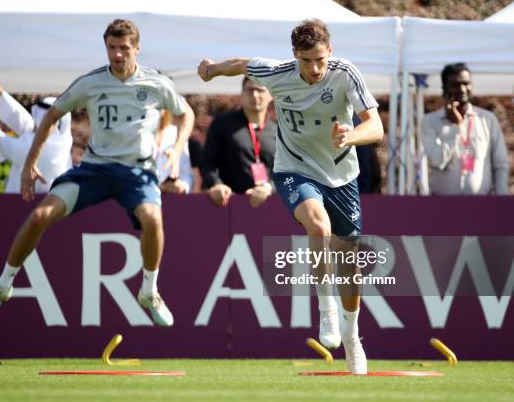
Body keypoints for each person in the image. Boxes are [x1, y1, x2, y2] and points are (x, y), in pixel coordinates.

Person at [0, 19, 195, 327]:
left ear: (137, 49)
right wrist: (30, 162)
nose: (117, 55)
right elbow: (52, 115)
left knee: (153, 219)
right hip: (95, 169)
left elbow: (187, 113)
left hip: (136, 171)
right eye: (112, 48)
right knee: (38, 216)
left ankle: (149, 291)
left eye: (124, 48)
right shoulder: (90, 83)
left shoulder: (156, 83)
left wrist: (178, 146)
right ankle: (3, 284)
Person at [197, 19, 384, 374]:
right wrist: (212, 70)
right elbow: (240, 64)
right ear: (294, 55)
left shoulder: (346, 73)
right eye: (306, 60)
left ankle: (351, 333)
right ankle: (326, 311)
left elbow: (375, 127)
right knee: (318, 225)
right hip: (294, 169)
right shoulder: (277, 72)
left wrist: (351, 136)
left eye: (319, 59)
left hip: (342, 175)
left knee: (349, 262)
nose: (314, 69)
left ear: (329, 51)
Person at [0, 72, 73, 193]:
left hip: (25, 207)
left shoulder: (35, 149)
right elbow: (26, 123)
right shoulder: (63, 138)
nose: (34, 123)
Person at [420, 63, 509, 195]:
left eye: (466, 83)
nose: (462, 89)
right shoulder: (429, 121)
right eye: (455, 85)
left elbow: (500, 164)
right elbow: (437, 161)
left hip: (481, 206)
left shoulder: (487, 119)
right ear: (444, 88)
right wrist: (454, 126)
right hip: (442, 206)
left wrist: (501, 202)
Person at [200, 76, 277, 207]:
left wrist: (269, 188)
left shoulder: (278, 131)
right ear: (242, 94)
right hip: (229, 205)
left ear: (270, 95)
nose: (254, 94)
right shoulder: (222, 124)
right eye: (249, 90)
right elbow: (207, 163)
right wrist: (216, 184)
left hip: (270, 204)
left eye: (260, 90)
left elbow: (287, 172)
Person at [155, 109, 195, 194]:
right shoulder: (133, 135)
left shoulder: (178, 134)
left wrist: (182, 186)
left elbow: (187, 176)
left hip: (171, 201)